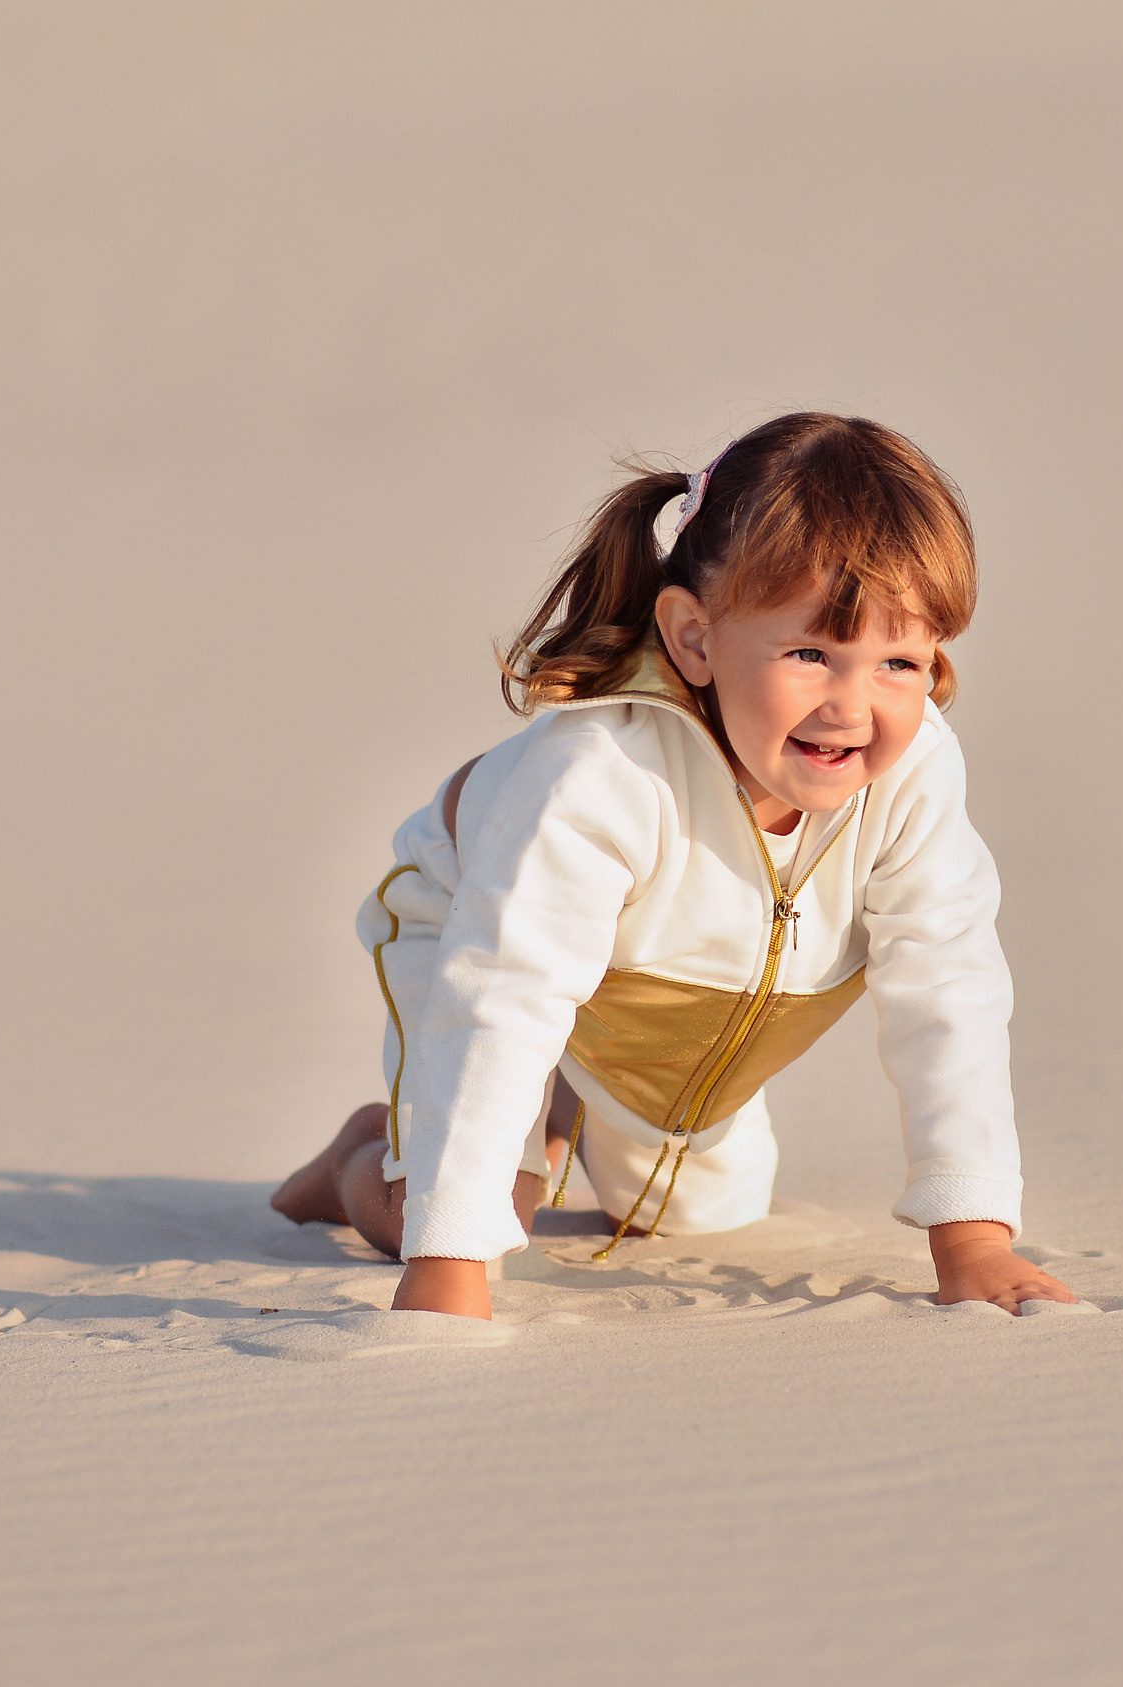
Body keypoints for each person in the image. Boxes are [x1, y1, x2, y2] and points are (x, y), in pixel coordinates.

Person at [271, 412, 1075, 1319]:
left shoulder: (916, 776)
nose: (852, 705)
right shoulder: (598, 777)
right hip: (484, 927)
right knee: (489, 1213)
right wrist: (446, 1261)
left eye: (898, 660)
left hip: (681, 998)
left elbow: (950, 991)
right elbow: (506, 996)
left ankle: (567, 1103)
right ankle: (357, 1161)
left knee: (707, 1211)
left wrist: (972, 1236)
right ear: (694, 637)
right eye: (810, 653)